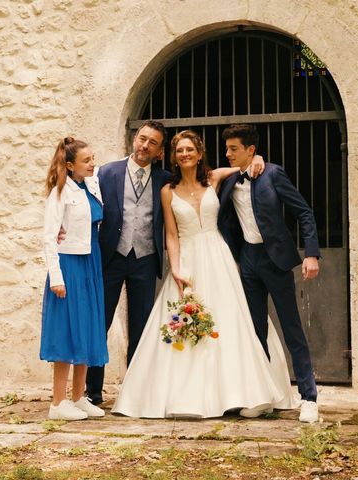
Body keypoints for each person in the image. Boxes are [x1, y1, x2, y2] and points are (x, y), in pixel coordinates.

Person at [112, 130, 296, 418]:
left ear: (199, 154)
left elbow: (244, 165)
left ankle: (243, 393)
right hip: (188, 259)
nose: (185, 154)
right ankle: (188, 395)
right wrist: (176, 268)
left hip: (218, 256)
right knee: (186, 324)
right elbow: (171, 235)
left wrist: (258, 157)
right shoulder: (167, 191)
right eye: (179, 150)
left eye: (190, 149)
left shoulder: (214, 179)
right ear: (173, 156)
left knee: (232, 321)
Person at [217, 124, 321, 423]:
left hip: (275, 259)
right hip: (247, 260)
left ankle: (309, 398)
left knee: (292, 329)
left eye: (233, 149)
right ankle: (261, 396)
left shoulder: (273, 174)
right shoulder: (229, 181)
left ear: (250, 150)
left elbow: (304, 212)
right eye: (227, 149)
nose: (228, 153)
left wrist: (311, 253)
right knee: (254, 331)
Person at [84, 121, 172, 406]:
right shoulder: (107, 172)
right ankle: (93, 390)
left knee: (142, 326)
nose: (145, 146)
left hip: (145, 260)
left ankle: (135, 391)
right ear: (135, 138)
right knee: (101, 323)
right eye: (142, 138)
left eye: (153, 143)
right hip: (110, 257)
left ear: (160, 151)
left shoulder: (165, 179)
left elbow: (205, 179)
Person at [41, 137, 108, 420]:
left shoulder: (91, 185)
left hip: (90, 261)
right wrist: (56, 276)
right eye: (86, 160)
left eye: (93, 158)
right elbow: (48, 237)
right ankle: (58, 403)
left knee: (88, 327)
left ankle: (79, 397)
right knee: (66, 331)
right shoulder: (59, 193)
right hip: (69, 265)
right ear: (69, 166)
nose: (93, 164)